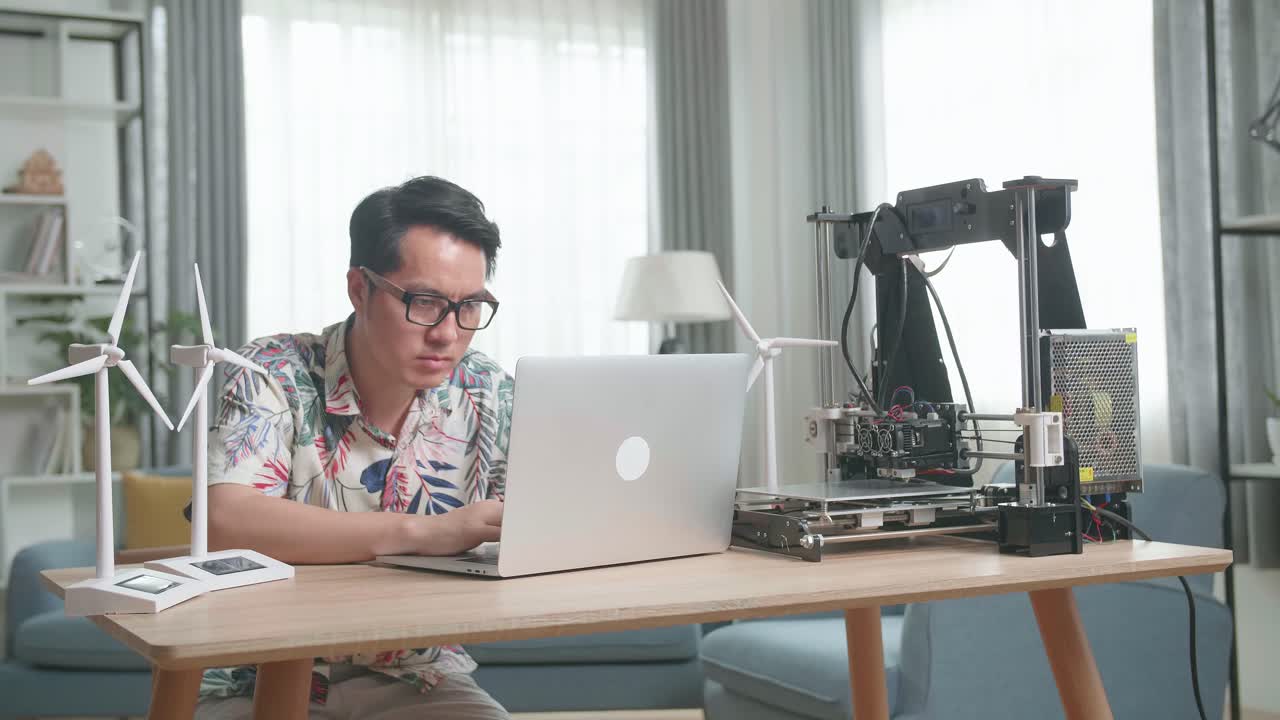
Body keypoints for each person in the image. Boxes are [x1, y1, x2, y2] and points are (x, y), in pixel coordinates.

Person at [195, 176, 513, 719]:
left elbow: (540, 517)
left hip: (416, 677)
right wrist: (422, 532)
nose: (447, 333)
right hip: (255, 673)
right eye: (426, 301)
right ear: (359, 289)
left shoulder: (487, 391)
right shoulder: (270, 373)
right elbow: (225, 518)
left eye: (470, 307)